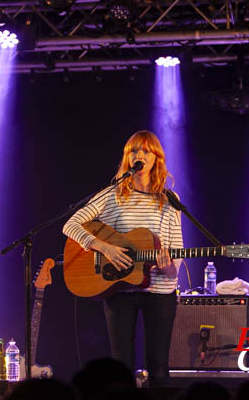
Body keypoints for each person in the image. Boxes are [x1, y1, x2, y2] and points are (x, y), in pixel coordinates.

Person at [63, 130, 183, 388]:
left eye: (145, 151)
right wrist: (102, 247)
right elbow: (71, 225)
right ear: (127, 158)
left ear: (156, 159)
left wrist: (171, 270)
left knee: (159, 368)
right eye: (133, 151)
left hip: (160, 290)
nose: (139, 156)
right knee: (121, 368)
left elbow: (177, 248)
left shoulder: (170, 200)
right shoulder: (112, 195)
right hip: (118, 288)